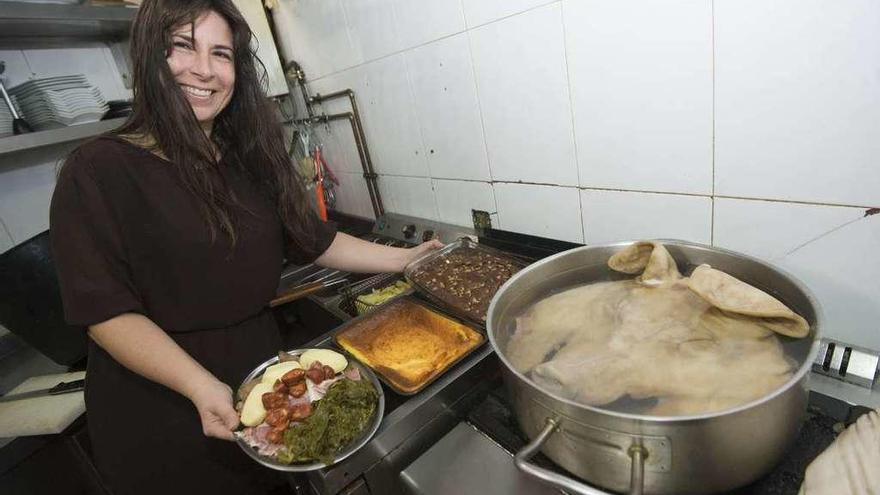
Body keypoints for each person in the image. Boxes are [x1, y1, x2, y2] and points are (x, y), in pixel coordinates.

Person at [48, 1, 441, 494]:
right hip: (162, 406)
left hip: (257, 380)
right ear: (149, 55)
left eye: (222, 54)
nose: (205, 71)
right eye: (183, 47)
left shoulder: (249, 161)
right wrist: (197, 385)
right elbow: (104, 312)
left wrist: (407, 260)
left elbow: (314, 241)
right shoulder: (98, 169)